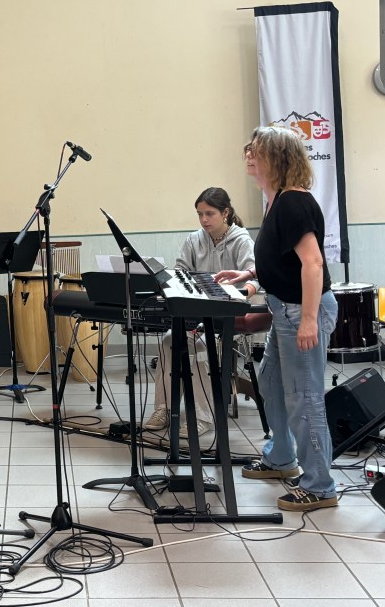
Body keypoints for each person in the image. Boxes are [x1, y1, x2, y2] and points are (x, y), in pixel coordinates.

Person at [216, 126, 338, 512]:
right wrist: (249, 274)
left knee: (304, 398)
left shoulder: (293, 203)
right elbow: (281, 257)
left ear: (279, 158)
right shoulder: (277, 200)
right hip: (285, 309)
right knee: (269, 381)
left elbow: (313, 263)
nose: (249, 156)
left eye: (257, 151)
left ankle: (320, 486)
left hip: (301, 311)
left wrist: (308, 320)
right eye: (249, 149)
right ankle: (282, 458)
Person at [144, 187, 257, 437]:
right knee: (169, 340)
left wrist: (241, 293)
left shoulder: (241, 240)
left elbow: (254, 278)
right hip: (196, 314)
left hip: (225, 316)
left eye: (209, 214)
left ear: (225, 213)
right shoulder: (194, 240)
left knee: (203, 346)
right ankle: (164, 408)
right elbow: (179, 272)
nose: (204, 220)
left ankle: (203, 416)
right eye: (200, 214)